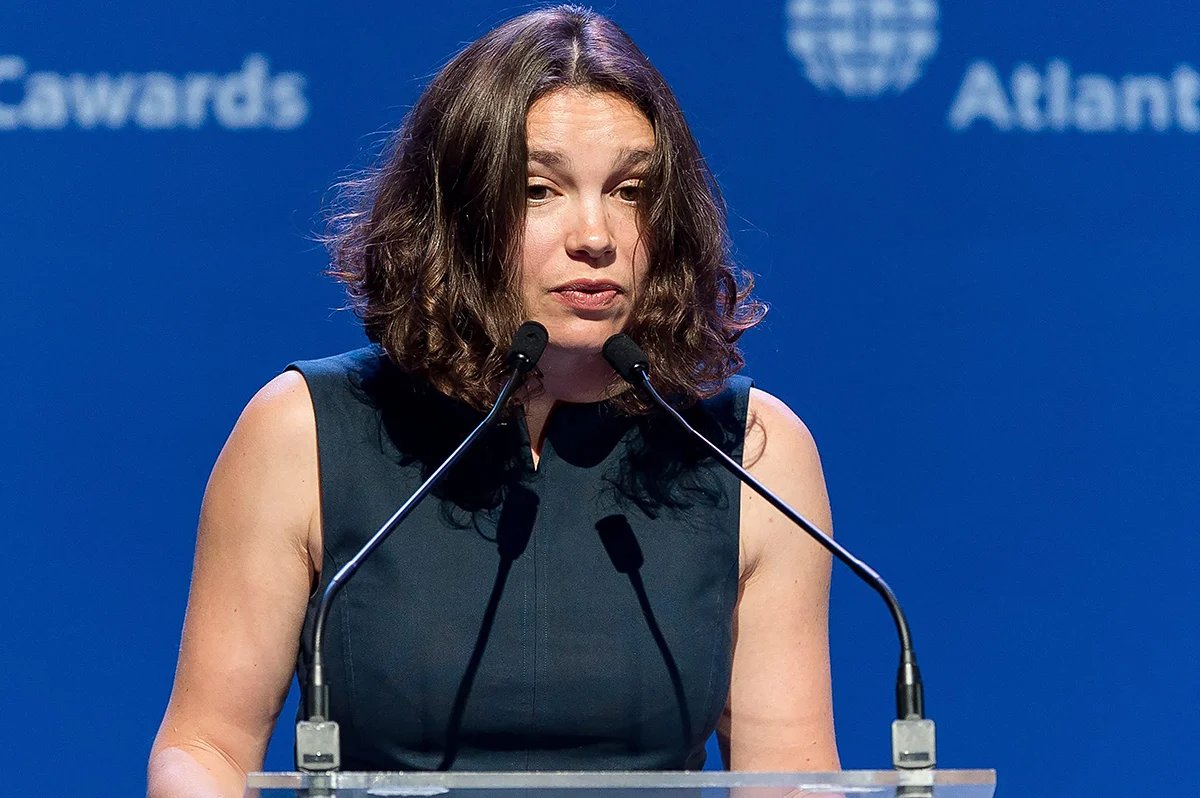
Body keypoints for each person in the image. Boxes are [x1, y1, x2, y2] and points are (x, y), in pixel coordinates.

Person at [147, 5, 838, 796]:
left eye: (630, 190)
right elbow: (204, 746)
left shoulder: (750, 453)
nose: (596, 234)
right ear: (459, 215)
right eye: (541, 190)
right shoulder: (303, 433)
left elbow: (792, 777)